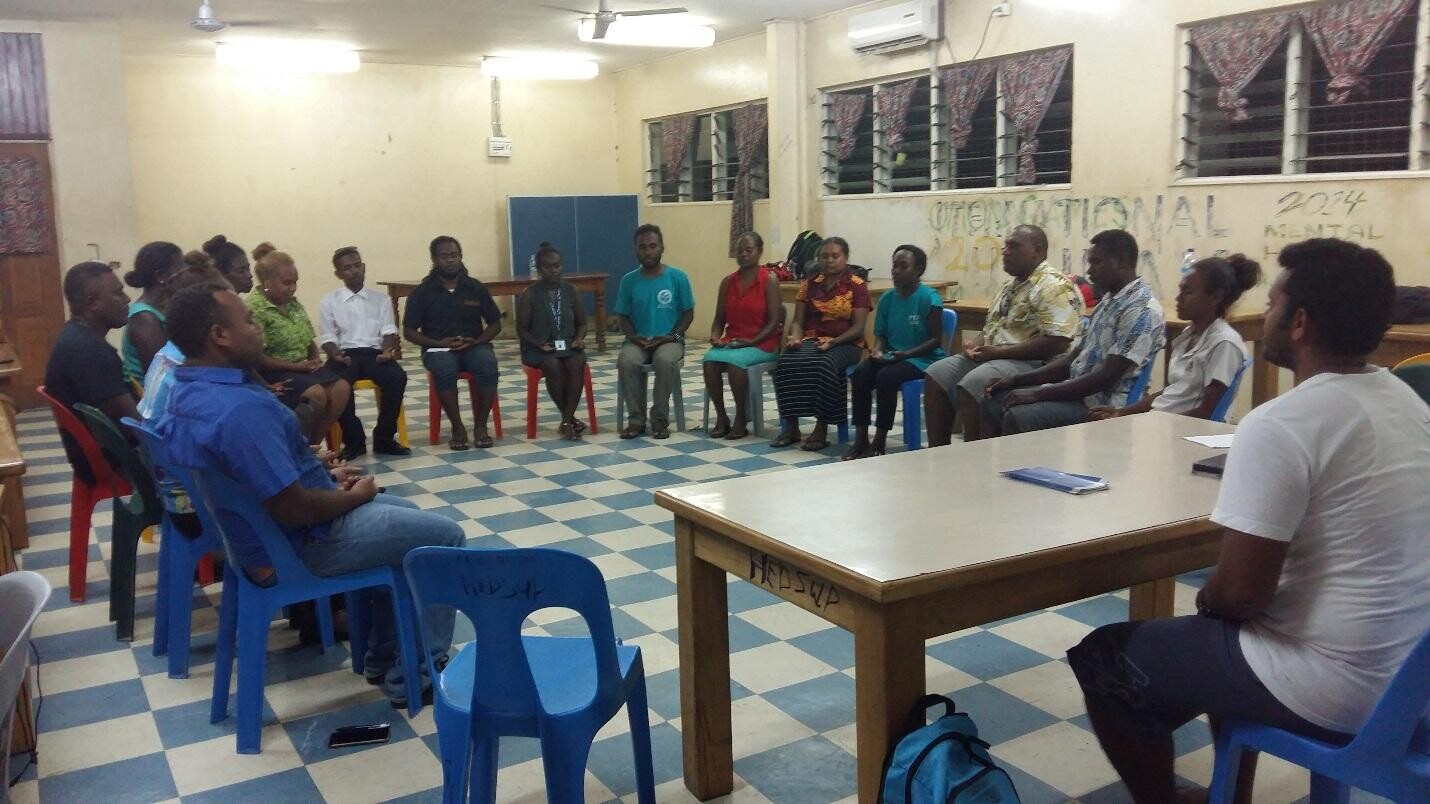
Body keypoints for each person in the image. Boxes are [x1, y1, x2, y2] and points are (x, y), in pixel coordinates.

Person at [1068, 238, 1430, 804]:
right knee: (1222, 635)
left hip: (1340, 691)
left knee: (1108, 657)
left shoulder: (1281, 423)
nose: (1267, 313)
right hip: (1413, 686)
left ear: (1301, 322)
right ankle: (1227, 791)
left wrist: (1211, 602)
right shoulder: (1409, 404)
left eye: (1276, 302)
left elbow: (1240, 594)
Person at [158, 282, 464, 706]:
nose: (258, 328)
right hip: (303, 544)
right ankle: (423, 673)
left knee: (408, 515)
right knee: (445, 536)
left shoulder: (189, 391)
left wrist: (319, 473)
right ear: (220, 335)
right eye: (248, 321)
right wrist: (354, 496)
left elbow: (257, 475)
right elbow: (293, 507)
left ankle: (385, 658)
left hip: (261, 537)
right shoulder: (241, 409)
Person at [982, 229, 1165, 436]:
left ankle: (1024, 467)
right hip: (1078, 393)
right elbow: (1072, 361)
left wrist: (1038, 394)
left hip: (1102, 403)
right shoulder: (1108, 302)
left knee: (1019, 414)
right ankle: (990, 466)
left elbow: (1106, 378)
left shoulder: (1141, 309)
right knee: (995, 398)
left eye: (1097, 263)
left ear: (1121, 262)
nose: (1089, 272)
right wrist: (1015, 380)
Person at [923, 225, 1082, 445]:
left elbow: (1057, 343)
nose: (1005, 251)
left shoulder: (1054, 286)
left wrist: (998, 352)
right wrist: (975, 345)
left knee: (974, 384)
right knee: (936, 374)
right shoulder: (1010, 286)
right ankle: (937, 456)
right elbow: (992, 329)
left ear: (1037, 250)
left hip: (1036, 363)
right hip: (997, 356)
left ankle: (976, 462)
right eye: (1005, 246)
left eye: (1014, 246)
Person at [1091, 254, 1259, 421]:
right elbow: (1171, 393)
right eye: (1181, 290)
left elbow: (1205, 414)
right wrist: (1121, 412)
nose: (1179, 298)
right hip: (1164, 423)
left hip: (1186, 432)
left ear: (1215, 297)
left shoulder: (1224, 344)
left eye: (1188, 292)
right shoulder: (1188, 334)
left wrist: (1147, 424)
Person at [845, 245, 945, 460]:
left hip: (922, 359)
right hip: (893, 356)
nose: (896, 271)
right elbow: (881, 337)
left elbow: (936, 340)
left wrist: (907, 354)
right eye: (894, 266)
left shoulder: (929, 298)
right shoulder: (888, 299)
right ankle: (861, 438)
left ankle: (880, 439)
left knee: (887, 377)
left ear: (918, 270)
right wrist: (878, 351)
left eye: (903, 266)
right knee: (861, 373)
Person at [403, 235, 503, 450]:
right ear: (434, 259)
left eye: (455, 255)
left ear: (461, 257)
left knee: (487, 364)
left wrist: (477, 341)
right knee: (445, 368)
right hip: (438, 349)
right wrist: (437, 343)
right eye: (444, 256)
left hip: (473, 346)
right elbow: (409, 331)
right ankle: (457, 427)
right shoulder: (422, 292)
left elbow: (495, 323)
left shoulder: (475, 287)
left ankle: (480, 426)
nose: (450, 260)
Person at [770, 237, 870, 451]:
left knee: (823, 365)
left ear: (846, 258)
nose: (829, 260)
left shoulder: (857, 286)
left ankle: (821, 427)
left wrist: (833, 343)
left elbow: (858, 328)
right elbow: (798, 320)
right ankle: (792, 426)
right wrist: (795, 336)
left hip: (847, 343)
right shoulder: (809, 284)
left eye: (835, 256)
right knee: (785, 363)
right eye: (825, 256)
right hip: (812, 339)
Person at [44, 261, 139, 485]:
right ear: (92, 303)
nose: (127, 300)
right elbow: (135, 427)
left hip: (102, 454)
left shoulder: (78, 336)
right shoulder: (88, 351)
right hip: (113, 462)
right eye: (118, 293)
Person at [247, 249, 351, 445]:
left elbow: (309, 339)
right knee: (316, 393)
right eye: (286, 283)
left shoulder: (293, 304)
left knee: (341, 388)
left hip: (302, 369)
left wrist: (314, 358)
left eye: (295, 282)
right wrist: (297, 367)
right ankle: (300, 448)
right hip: (272, 372)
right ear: (267, 282)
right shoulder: (255, 308)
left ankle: (314, 443)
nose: (293, 288)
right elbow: (255, 357)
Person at [319, 246, 411, 460]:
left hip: (375, 354)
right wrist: (335, 355)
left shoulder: (381, 300)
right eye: (347, 268)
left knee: (397, 377)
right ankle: (354, 441)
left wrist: (387, 350)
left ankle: (384, 438)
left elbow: (388, 329)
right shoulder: (329, 301)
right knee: (335, 384)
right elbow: (327, 337)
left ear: (364, 267)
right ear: (338, 274)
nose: (354, 271)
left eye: (358, 265)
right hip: (344, 355)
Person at [615, 224, 695, 440]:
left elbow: (688, 314)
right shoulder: (628, 281)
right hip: (637, 340)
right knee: (626, 361)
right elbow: (622, 317)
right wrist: (633, 337)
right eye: (643, 247)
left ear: (662, 247)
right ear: (635, 250)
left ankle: (659, 421)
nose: (648, 252)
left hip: (669, 340)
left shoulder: (678, 278)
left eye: (653, 246)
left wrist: (674, 337)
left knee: (664, 361)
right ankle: (635, 421)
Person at [703, 231, 781, 440]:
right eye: (740, 251)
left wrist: (752, 341)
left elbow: (775, 322)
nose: (744, 255)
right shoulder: (727, 282)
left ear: (760, 252)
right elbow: (719, 319)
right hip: (734, 341)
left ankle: (740, 417)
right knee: (709, 361)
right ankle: (721, 417)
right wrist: (715, 336)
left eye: (749, 250)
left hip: (763, 342)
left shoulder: (769, 280)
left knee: (736, 365)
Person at [516, 244, 589, 440]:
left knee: (576, 362)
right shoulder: (530, 293)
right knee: (552, 365)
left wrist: (578, 339)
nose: (553, 270)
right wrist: (538, 344)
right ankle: (570, 419)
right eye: (547, 267)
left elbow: (582, 323)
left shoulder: (571, 290)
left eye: (557, 265)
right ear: (539, 270)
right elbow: (521, 329)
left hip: (568, 345)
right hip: (538, 348)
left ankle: (566, 420)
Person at [121, 241, 184, 384]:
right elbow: (164, 373)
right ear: (161, 276)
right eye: (181, 272)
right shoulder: (145, 318)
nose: (185, 278)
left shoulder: (161, 311)